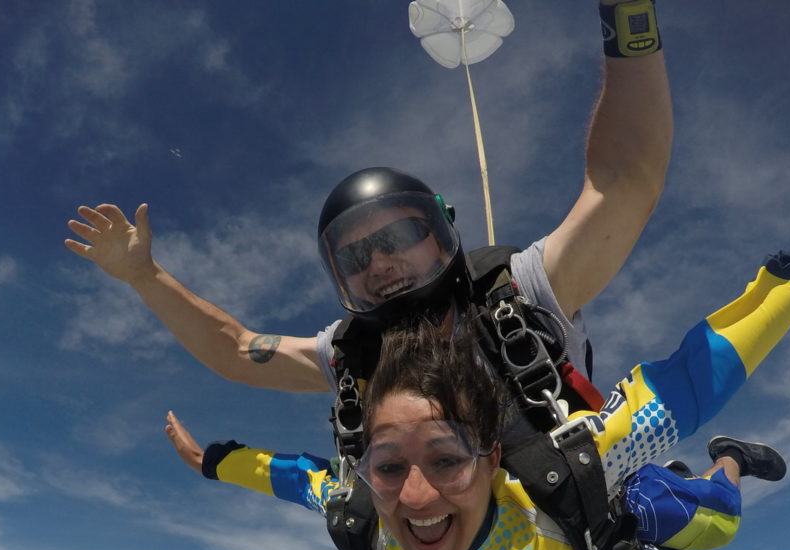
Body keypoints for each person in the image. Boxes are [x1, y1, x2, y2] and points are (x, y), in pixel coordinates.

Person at [162, 204, 790, 550]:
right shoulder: (368, 507)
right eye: (388, 466)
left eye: (447, 460)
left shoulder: (572, 470)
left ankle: (727, 463)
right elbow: (304, 480)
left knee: (716, 522)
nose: (416, 497)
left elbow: (690, 381)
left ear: (491, 457)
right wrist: (213, 462)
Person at [64, 0, 672, 391]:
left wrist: (627, 11)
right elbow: (238, 349)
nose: (378, 264)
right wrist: (145, 277)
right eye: (354, 260)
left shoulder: (527, 292)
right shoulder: (353, 353)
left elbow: (626, 179)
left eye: (396, 239)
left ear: (444, 232)